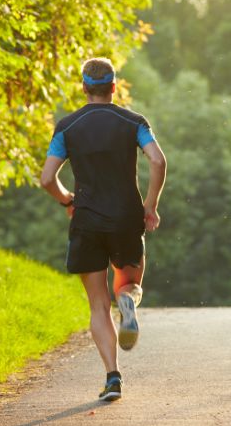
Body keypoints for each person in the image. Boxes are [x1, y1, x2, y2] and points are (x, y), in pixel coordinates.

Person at [40, 57, 167, 402]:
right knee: (129, 283)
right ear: (113, 87)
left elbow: (47, 178)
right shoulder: (133, 122)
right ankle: (128, 301)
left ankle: (112, 377)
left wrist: (68, 200)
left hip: (87, 222)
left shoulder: (67, 127)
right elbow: (157, 160)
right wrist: (151, 205)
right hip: (126, 217)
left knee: (98, 304)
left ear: (84, 87)